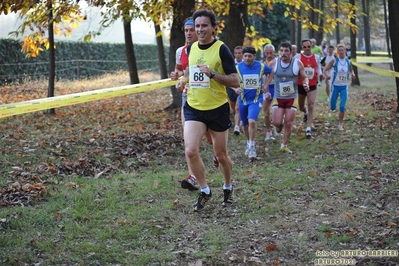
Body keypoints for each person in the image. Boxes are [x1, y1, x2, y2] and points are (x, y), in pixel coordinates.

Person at [176, 9, 239, 212]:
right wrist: (182, 80)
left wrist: (212, 74)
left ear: (213, 27)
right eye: (197, 26)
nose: (200, 29)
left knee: (220, 155)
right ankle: (205, 190)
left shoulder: (222, 49)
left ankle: (227, 186)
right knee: (190, 151)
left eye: (204, 25)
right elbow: (188, 72)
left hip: (217, 108)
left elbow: (234, 80)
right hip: (194, 106)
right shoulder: (191, 48)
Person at [264, 42, 309, 153]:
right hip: (278, 97)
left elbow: (304, 77)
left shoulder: (297, 63)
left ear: (291, 52)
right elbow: (268, 77)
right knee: (276, 122)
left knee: (289, 123)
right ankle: (279, 126)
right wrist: (265, 88)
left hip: (292, 97)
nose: (284, 53)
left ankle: (284, 145)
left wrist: (306, 83)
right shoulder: (274, 63)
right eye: (282, 51)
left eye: (286, 51)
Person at [232, 46, 271, 159]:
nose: (247, 58)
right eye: (245, 56)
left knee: (252, 121)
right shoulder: (237, 67)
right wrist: (235, 89)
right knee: (245, 125)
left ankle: (252, 146)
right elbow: (229, 80)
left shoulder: (261, 66)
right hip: (243, 100)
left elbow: (271, 72)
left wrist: (266, 85)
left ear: (254, 56)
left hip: (256, 99)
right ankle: (249, 142)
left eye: (250, 56)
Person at [323, 43, 356, 131]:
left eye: (342, 50)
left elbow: (351, 70)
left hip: (344, 87)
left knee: (342, 106)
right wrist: (326, 76)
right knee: (333, 107)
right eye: (339, 50)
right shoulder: (334, 61)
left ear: (345, 51)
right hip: (335, 86)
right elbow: (325, 69)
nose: (341, 52)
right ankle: (332, 104)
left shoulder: (348, 61)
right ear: (337, 52)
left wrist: (353, 74)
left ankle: (340, 124)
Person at [297, 39, 323, 139]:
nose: (307, 49)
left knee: (311, 104)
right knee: (301, 107)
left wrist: (320, 74)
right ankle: (305, 112)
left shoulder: (316, 57)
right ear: (302, 47)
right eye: (305, 47)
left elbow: (318, 67)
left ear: (311, 46)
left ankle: (308, 128)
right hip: (301, 84)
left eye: (308, 46)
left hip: (312, 84)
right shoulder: (298, 57)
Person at [262, 44, 279, 142]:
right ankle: (269, 131)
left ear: (274, 52)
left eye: (271, 53)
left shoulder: (279, 61)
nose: (269, 55)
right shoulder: (262, 63)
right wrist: (265, 88)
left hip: (277, 87)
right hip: (267, 88)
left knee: (276, 111)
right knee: (267, 112)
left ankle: (276, 127)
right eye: (267, 53)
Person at [227, 46, 243, 135]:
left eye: (239, 53)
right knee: (233, 109)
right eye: (236, 53)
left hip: (242, 88)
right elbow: (228, 77)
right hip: (232, 88)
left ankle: (236, 127)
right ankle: (239, 120)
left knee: (238, 107)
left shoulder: (245, 64)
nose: (237, 55)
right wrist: (234, 88)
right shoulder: (231, 63)